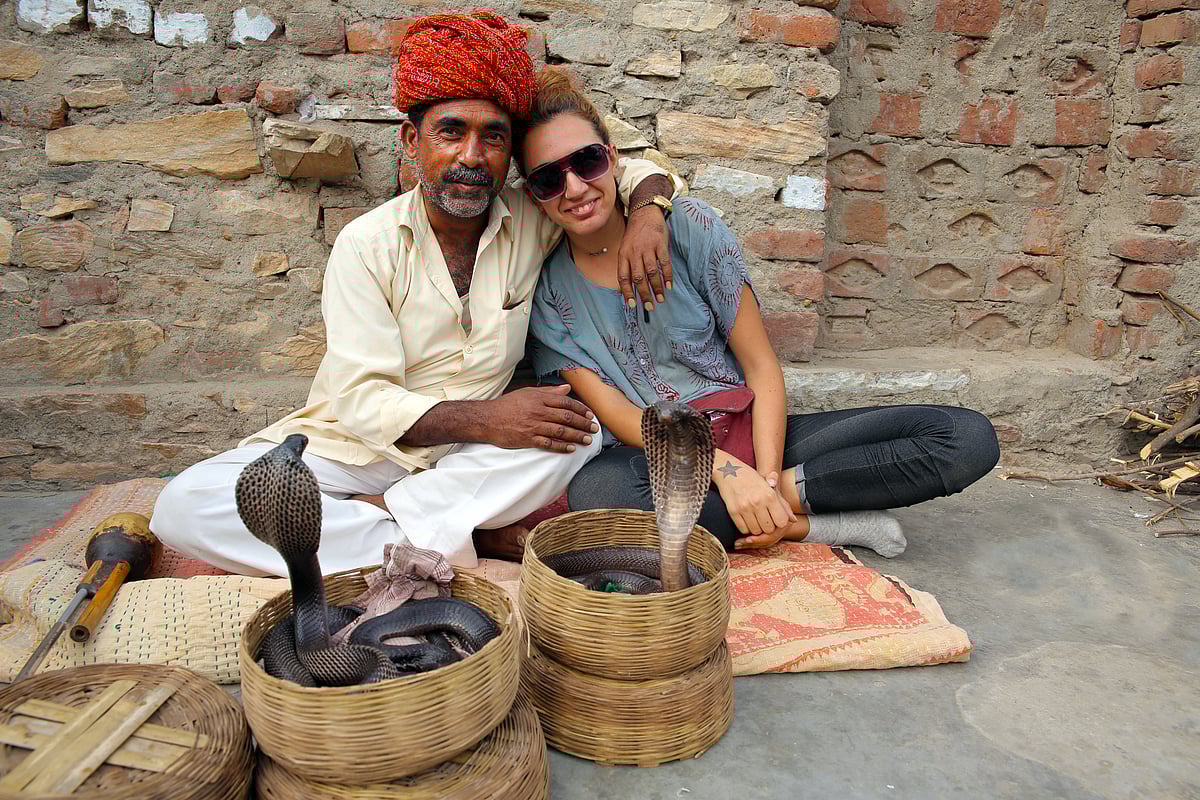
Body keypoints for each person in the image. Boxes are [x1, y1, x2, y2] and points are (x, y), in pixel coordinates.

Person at [149, 12, 683, 576]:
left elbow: (627, 171)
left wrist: (649, 212)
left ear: (510, 155)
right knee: (183, 505)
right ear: (411, 140)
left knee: (578, 432)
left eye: (493, 138)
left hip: (468, 463)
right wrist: (487, 419)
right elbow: (360, 401)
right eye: (451, 132)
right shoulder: (366, 244)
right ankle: (439, 532)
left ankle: (389, 531)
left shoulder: (533, 214)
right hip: (356, 451)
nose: (472, 157)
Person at [519, 70, 1001, 557]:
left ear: (614, 159)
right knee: (599, 497)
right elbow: (621, 414)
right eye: (548, 178)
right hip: (659, 458)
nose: (575, 187)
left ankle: (773, 507)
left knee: (965, 437)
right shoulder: (546, 294)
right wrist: (724, 471)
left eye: (587, 161)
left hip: (754, 428)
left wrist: (764, 478)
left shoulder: (688, 228)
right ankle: (811, 524)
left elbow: (760, 365)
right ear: (533, 195)